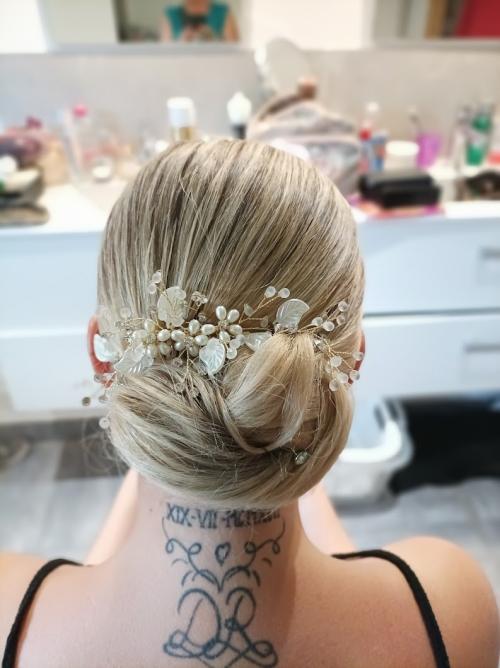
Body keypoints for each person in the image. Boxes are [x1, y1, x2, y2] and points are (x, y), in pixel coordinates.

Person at [1, 140, 499, 667]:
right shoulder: (448, 609)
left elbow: (94, 571)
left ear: (101, 356)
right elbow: (342, 556)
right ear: (353, 360)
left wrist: (159, 455)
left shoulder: (14, 618)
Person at [161, 0, 239, 42]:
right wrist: (180, 46)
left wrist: (215, 45)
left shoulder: (223, 12)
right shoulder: (170, 14)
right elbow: (165, 56)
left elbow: (235, 53)